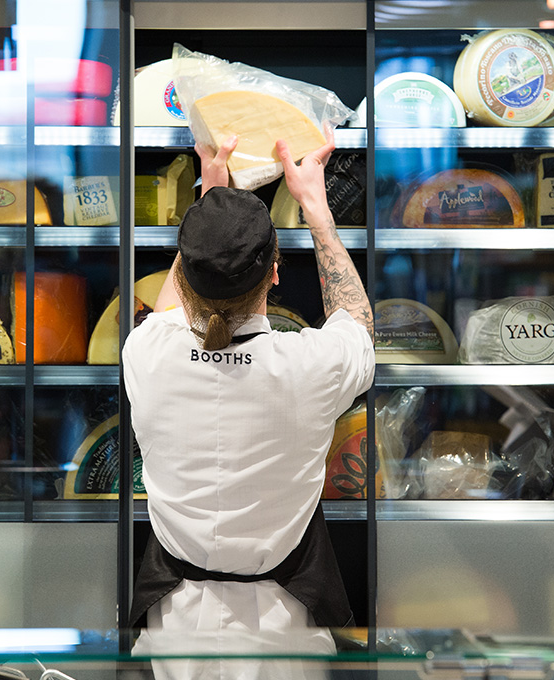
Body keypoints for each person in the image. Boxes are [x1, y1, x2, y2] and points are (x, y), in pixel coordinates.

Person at [121, 130, 375, 670]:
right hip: (282, 638)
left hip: (173, 636)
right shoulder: (312, 365)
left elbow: (175, 310)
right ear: (276, 273)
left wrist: (206, 201)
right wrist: (314, 206)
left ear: (185, 275)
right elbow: (357, 321)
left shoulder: (146, 351)